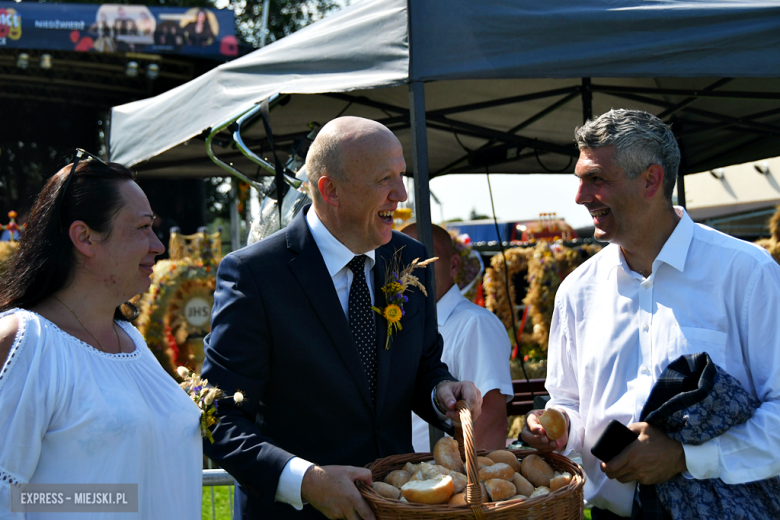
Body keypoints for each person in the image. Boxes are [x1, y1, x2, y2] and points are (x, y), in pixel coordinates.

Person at [201, 116, 482, 520]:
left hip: (395, 508)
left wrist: (442, 391)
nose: (401, 194)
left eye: (402, 176)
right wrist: (304, 481)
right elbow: (220, 415)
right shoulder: (256, 275)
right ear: (330, 190)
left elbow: (423, 367)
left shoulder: (410, 260)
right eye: (384, 179)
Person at [520, 109, 780, 519]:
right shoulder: (577, 290)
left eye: (597, 179)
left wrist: (685, 457)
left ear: (651, 180)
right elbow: (568, 400)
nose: (580, 197)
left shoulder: (746, 273)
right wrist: (556, 427)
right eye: (580, 179)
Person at [0, 151, 202, 518]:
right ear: (85, 237)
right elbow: (8, 493)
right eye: (143, 228)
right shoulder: (25, 342)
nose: (158, 245)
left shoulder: (131, 340)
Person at [402, 223, 513, 452]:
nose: (411, 270)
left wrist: (473, 487)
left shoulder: (475, 324)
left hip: (448, 483)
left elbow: (488, 425)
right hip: (412, 478)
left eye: (424, 260)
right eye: (403, 261)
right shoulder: (409, 325)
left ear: (453, 265)